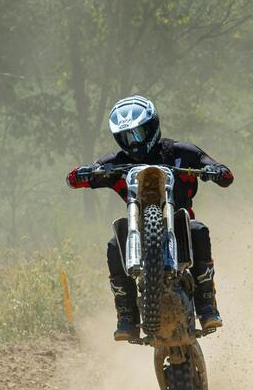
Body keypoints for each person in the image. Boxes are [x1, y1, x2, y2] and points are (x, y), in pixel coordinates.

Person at [66, 95, 233, 341]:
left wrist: (214, 170)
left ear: (152, 126)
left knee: (198, 229)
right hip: (139, 231)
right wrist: (82, 173)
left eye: (138, 133)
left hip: (179, 225)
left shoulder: (178, 153)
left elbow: (222, 173)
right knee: (114, 242)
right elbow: (73, 180)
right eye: (126, 137)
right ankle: (126, 316)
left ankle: (207, 304)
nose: (133, 142)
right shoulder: (117, 163)